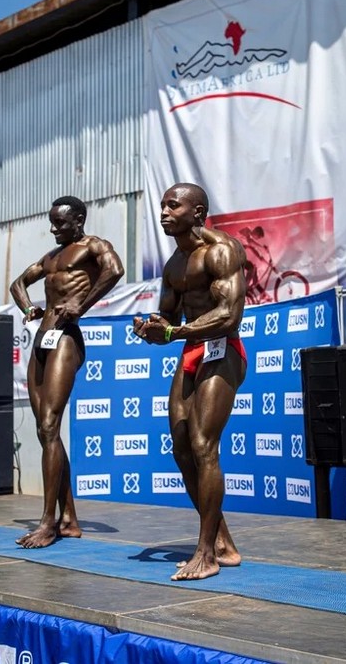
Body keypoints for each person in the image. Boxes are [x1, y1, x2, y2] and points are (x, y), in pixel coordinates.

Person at [134, 183, 248, 581]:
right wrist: (151, 327)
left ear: (197, 212)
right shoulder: (173, 266)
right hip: (192, 354)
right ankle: (223, 543)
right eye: (162, 205)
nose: (163, 211)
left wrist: (175, 334)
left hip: (223, 350)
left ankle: (206, 555)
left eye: (173, 205)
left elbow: (229, 315)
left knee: (203, 445)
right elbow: (168, 319)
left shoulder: (222, 250)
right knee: (182, 448)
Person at [10, 195, 124, 548]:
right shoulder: (49, 258)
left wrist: (82, 303)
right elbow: (18, 284)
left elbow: (115, 270)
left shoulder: (93, 246)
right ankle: (69, 518)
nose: (53, 228)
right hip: (43, 338)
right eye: (52, 222)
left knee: (49, 425)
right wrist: (29, 308)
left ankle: (48, 523)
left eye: (60, 222)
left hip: (66, 339)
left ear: (78, 219)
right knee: (47, 434)